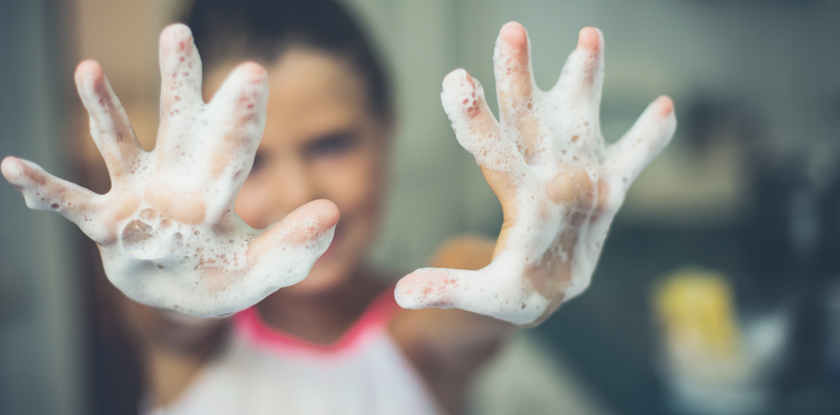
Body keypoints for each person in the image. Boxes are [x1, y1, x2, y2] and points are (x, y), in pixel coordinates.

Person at [0, 0, 676, 413]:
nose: (298, 193)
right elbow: (163, 319)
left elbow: (466, 287)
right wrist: (160, 269)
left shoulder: (417, 332)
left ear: (387, 131)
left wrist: (518, 267)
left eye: (332, 143)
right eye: (252, 162)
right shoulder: (194, 337)